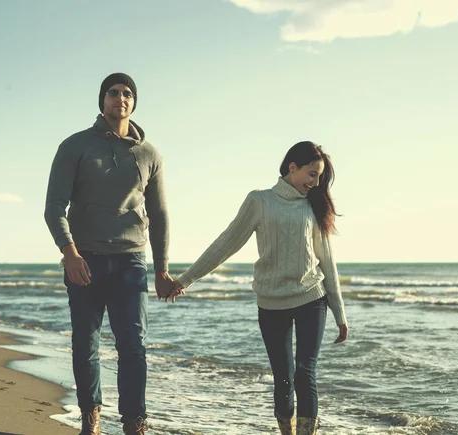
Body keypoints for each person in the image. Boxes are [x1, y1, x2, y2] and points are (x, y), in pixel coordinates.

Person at [169, 141, 349, 435]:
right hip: (272, 303)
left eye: (319, 177)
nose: (316, 182)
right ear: (292, 167)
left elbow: (327, 261)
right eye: (312, 174)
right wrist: (186, 279)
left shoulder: (312, 206)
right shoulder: (259, 201)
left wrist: (340, 314)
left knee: (306, 374)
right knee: (284, 380)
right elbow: (226, 243)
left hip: (311, 299)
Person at [44, 73, 177, 435]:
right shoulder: (75, 146)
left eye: (128, 93)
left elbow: (161, 215)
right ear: (102, 100)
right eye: (114, 92)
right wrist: (70, 254)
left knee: (133, 346)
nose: (121, 97)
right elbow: (54, 206)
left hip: (131, 260)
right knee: (85, 343)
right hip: (84, 258)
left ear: (134, 103)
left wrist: (162, 270)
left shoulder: (150, 154)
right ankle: (91, 417)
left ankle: (134, 422)